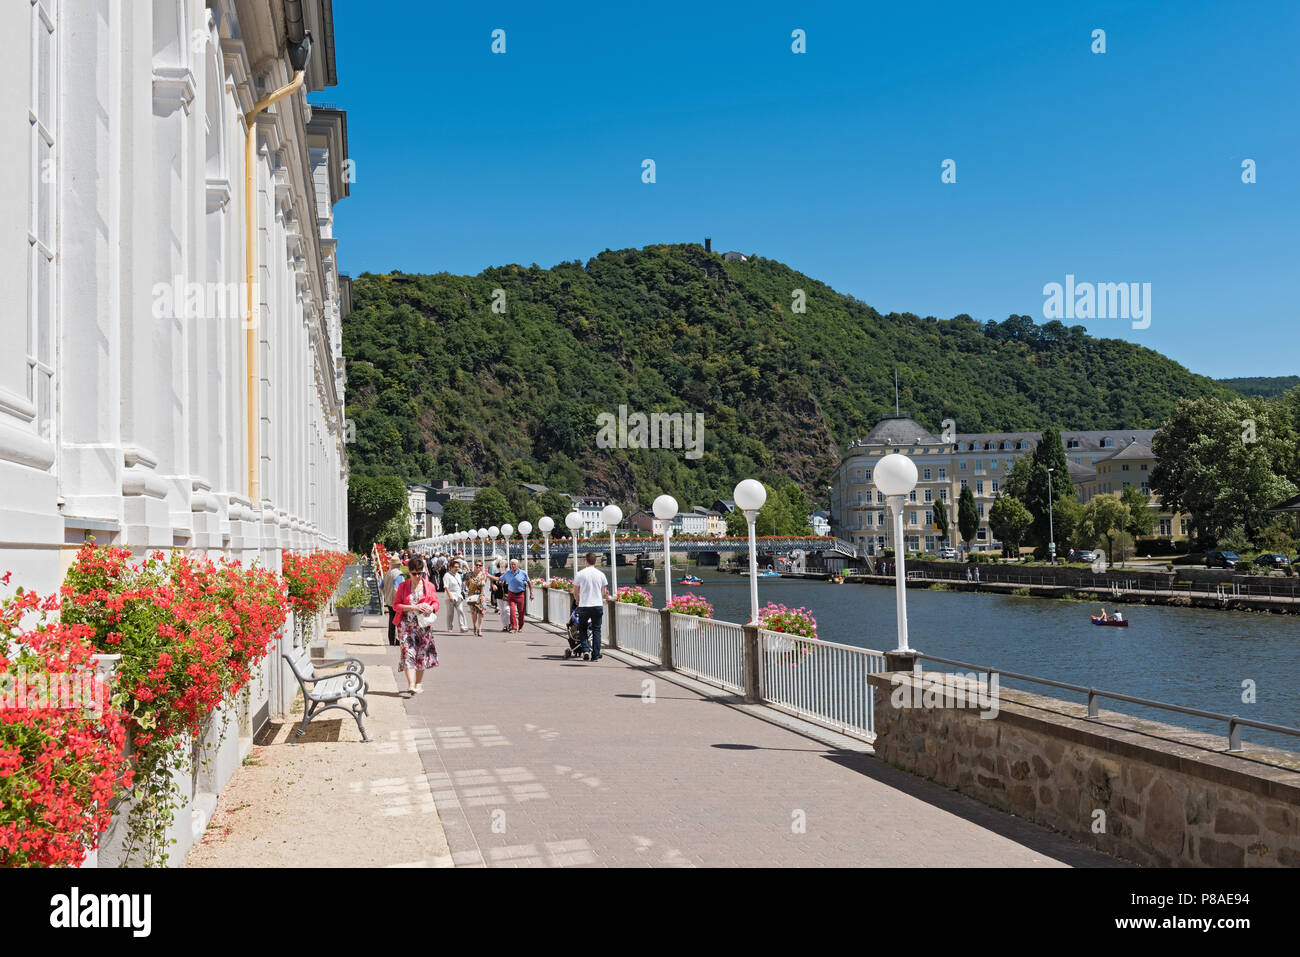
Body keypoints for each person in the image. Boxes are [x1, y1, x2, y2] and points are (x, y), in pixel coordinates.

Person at [392, 555, 439, 695]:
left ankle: (419, 683)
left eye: (420, 573)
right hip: (406, 626)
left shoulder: (429, 586)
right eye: (415, 573)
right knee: (408, 653)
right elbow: (396, 605)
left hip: (423, 626)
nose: (418, 576)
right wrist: (412, 607)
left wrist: (432, 608)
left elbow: (436, 602)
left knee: (422, 654)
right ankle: (411, 684)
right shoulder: (403, 586)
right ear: (409, 572)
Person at [572, 552, 610, 661]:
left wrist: (578, 601)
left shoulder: (580, 574)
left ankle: (586, 650)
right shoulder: (601, 574)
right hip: (597, 605)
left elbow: (575, 591)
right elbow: (604, 591)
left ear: (586, 561)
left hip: (584, 605)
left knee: (582, 628)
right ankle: (596, 655)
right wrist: (599, 597)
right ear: (595, 561)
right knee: (596, 630)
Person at [501, 558, 533, 632]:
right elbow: (499, 578)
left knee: (521, 612)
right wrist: (489, 576)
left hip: (520, 594)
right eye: (511, 564)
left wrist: (531, 593)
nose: (512, 566)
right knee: (512, 611)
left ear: (517, 565)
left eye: (514, 564)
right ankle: (514, 627)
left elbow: (529, 583)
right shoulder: (508, 573)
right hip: (511, 594)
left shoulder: (523, 573)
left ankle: (521, 626)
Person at [380, 561, 405, 647]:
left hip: (389, 600)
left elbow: (381, 587)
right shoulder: (398, 574)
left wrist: (386, 595)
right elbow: (396, 588)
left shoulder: (387, 574)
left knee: (391, 620)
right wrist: (400, 599)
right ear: (398, 565)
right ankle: (398, 640)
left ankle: (391, 640)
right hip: (396, 601)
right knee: (399, 620)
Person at [443, 558, 469, 634]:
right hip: (450, 596)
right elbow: (446, 587)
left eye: (458, 567)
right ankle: (450, 627)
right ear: (450, 567)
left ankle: (463, 626)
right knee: (450, 613)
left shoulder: (458, 575)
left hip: (458, 595)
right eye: (455, 567)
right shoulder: (447, 575)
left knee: (460, 610)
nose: (457, 568)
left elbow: (460, 585)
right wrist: (450, 596)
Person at [465, 559, 487, 636]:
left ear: (482, 566)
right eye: (477, 565)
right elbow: (467, 584)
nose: (478, 566)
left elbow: (483, 583)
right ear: (474, 565)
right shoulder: (469, 574)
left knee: (481, 612)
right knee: (474, 613)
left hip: (481, 595)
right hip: (472, 595)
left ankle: (480, 629)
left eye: (480, 565)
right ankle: (474, 626)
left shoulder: (483, 574)